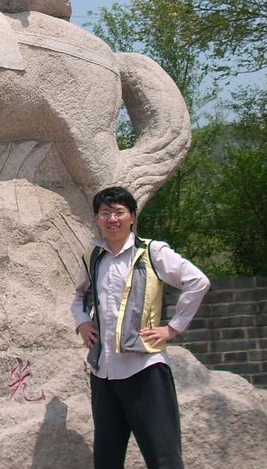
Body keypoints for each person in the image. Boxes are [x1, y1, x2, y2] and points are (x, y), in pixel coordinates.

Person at [71, 186, 210, 469]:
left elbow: (198, 282)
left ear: (132, 216)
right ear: (97, 219)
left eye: (119, 212)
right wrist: (82, 322)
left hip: (144, 369)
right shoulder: (93, 256)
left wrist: (172, 328)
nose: (112, 219)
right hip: (104, 371)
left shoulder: (152, 252)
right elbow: (78, 295)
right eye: (105, 213)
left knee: (163, 457)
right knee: (106, 459)